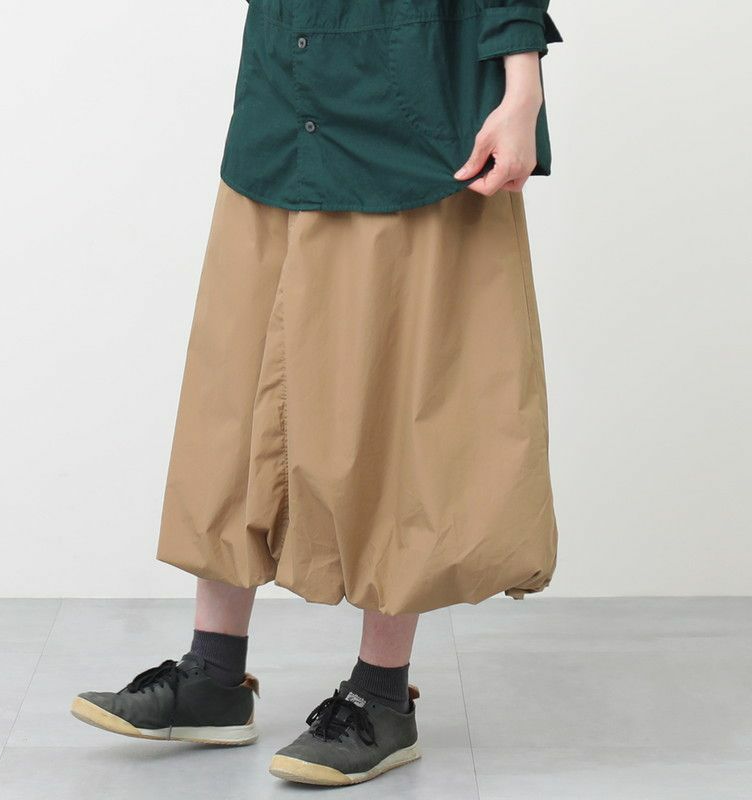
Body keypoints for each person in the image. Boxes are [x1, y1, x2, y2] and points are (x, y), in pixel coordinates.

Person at [70, 0, 563, 787]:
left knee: (398, 404)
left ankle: (381, 697)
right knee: (235, 391)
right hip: (282, 99)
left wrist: (521, 91)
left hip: (413, 114)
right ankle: (213, 675)